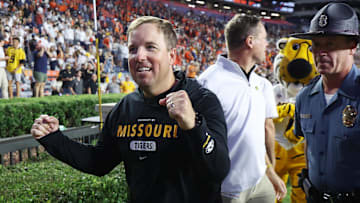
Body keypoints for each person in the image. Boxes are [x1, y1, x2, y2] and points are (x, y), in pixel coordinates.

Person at [31, 16, 230, 203]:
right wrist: (53, 138)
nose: (140, 56)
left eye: (151, 47)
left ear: (172, 56)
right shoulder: (125, 108)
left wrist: (194, 125)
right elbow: (98, 162)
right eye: (133, 49)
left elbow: (219, 170)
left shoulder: (202, 101)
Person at [198, 14, 287, 203]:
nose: (267, 45)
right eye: (264, 39)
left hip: (260, 181)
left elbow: (258, 135)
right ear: (250, 41)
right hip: (226, 188)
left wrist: (270, 172)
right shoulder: (209, 83)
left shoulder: (261, 84)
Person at [292, 2, 360, 203]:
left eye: (330, 44)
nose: (321, 52)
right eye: (317, 45)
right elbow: (308, 148)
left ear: (352, 46)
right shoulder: (304, 98)